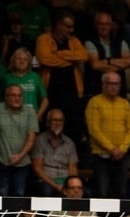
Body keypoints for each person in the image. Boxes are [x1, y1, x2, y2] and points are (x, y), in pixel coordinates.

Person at [35, 12, 89, 146]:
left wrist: (60, 54)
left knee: (73, 126)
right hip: (51, 90)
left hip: (72, 91)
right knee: (50, 124)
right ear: (59, 25)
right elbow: (45, 59)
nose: (72, 30)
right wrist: (70, 61)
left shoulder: (74, 40)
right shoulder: (44, 39)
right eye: (68, 27)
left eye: (72, 27)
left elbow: (83, 56)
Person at [85, 72, 130, 198]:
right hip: (101, 156)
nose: (114, 87)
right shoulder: (94, 102)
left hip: (121, 156)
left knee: (121, 193)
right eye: (110, 84)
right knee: (102, 193)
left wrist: (122, 149)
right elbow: (94, 130)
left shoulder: (125, 104)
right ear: (103, 85)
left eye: (117, 84)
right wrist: (112, 149)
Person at [0, 84, 38, 196]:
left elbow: (32, 137)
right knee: (2, 194)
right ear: (6, 97)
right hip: (0, 160)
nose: (17, 98)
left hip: (22, 162)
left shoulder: (29, 111)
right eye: (13, 95)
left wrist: (20, 155)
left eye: (20, 95)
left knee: (19, 194)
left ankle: (15, 215)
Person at [31, 108, 79, 196]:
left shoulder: (70, 143)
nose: (58, 123)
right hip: (46, 180)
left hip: (65, 181)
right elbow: (37, 168)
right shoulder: (40, 140)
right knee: (47, 191)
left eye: (60, 121)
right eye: (54, 120)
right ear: (48, 123)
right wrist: (56, 185)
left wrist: (70, 185)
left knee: (83, 192)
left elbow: (73, 168)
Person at [1, 46, 47, 123]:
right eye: (19, 59)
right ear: (13, 61)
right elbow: (1, 99)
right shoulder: (7, 78)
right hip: (11, 117)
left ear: (29, 62)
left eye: (25, 59)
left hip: (32, 116)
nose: (22, 62)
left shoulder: (34, 76)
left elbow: (45, 100)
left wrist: (37, 116)